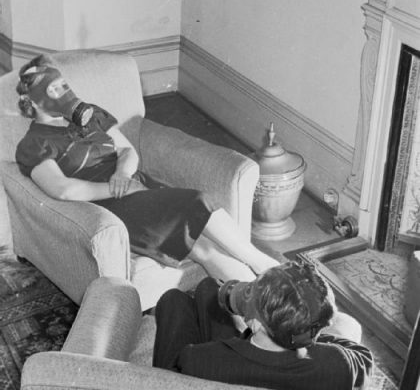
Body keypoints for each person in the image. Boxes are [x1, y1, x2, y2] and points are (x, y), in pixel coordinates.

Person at [15, 54, 281, 287]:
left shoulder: (90, 114)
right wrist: (116, 188)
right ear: (34, 101)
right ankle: (267, 268)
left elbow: (128, 151)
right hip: (109, 206)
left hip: (136, 187)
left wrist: (122, 174)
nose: (65, 92)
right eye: (54, 89)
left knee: (203, 249)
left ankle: (256, 311)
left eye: (65, 85)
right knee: (199, 203)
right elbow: (63, 190)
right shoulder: (34, 143)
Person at [153, 261, 373, 390]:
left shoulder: (198, 359)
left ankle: (180, 301)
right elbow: (361, 356)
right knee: (209, 288)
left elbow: (169, 385)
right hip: (255, 365)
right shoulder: (338, 368)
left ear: (255, 324)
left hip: (223, 374)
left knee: (173, 300)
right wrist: (301, 329)